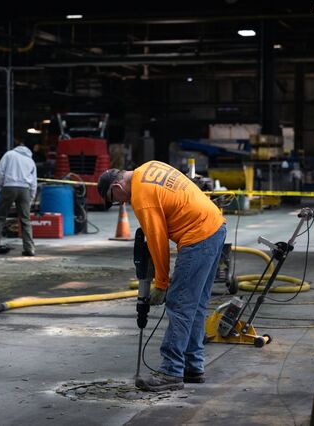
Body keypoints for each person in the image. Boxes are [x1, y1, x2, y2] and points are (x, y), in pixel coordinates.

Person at [97, 161, 226, 392]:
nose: (121, 203)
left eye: (116, 199)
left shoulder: (141, 197)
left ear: (117, 186)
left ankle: (171, 371)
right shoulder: (149, 166)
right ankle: (193, 366)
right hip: (215, 226)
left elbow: (158, 241)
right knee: (195, 304)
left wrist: (162, 283)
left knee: (179, 303)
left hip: (197, 236)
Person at [0, 140, 37, 256]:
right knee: (25, 220)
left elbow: (0, 172)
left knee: (0, 217)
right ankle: (29, 249)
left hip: (8, 187)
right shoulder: (30, 160)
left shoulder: (9, 154)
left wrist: (1, 185)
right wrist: (31, 197)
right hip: (24, 189)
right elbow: (34, 181)